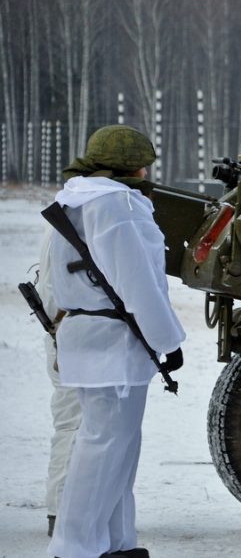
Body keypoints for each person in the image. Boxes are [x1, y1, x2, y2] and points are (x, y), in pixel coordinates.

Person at [46, 125, 186, 558]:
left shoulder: (76, 199)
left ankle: (117, 541)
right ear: (134, 167)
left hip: (88, 336)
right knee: (104, 446)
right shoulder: (119, 204)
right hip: (113, 344)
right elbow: (139, 282)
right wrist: (167, 339)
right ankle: (75, 547)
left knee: (115, 444)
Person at [36, 233, 82, 538]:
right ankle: (62, 513)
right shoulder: (71, 224)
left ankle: (63, 510)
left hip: (65, 334)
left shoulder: (63, 220)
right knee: (74, 427)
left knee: (72, 425)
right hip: (69, 336)